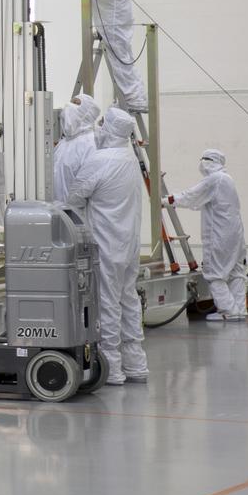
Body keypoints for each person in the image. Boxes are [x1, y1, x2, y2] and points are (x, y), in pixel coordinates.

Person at [67, 107, 148, 385]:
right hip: (130, 245)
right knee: (129, 299)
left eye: (102, 124)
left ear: (111, 129)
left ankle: (112, 367)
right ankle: (136, 364)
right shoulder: (130, 158)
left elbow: (74, 196)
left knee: (108, 303)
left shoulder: (100, 160)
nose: (98, 129)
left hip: (107, 244)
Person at [165, 149, 248, 321]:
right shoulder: (227, 179)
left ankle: (229, 312)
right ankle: (240, 310)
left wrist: (167, 200)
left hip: (220, 236)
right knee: (236, 273)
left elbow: (191, 196)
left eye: (207, 159)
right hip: (236, 235)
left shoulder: (215, 179)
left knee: (214, 274)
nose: (203, 162)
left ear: (216, 162)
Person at [54, 93, 101, 203]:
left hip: (76, 214)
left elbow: (87, 186)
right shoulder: (65, 142)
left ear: (88, 112)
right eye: (71, 102)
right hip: (57, 211)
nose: (69, 106)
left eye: (76, 103)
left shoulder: (91, 144)